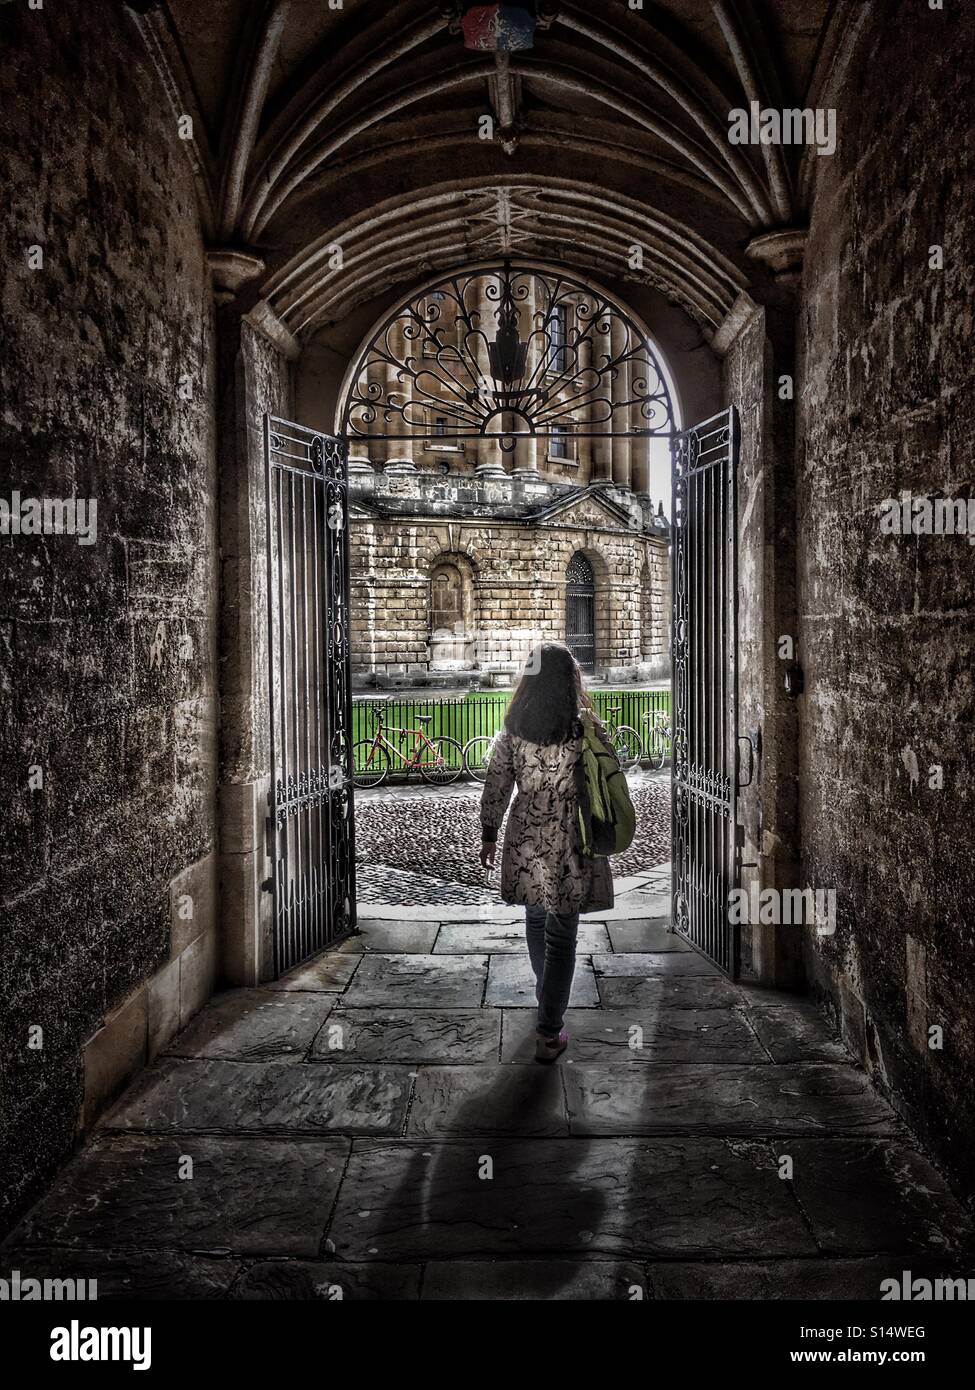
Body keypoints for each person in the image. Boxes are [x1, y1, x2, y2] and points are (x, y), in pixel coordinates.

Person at [479, 642, 616, 1062]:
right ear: (569, 680)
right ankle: (549, 1029)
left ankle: (546, 1003)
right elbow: (609, 774)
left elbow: (497, 783)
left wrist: (488, 832)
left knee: (536, 920)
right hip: (570, 835)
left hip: (526, 832)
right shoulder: (584, 726)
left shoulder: (513, 727)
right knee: (561, 936)